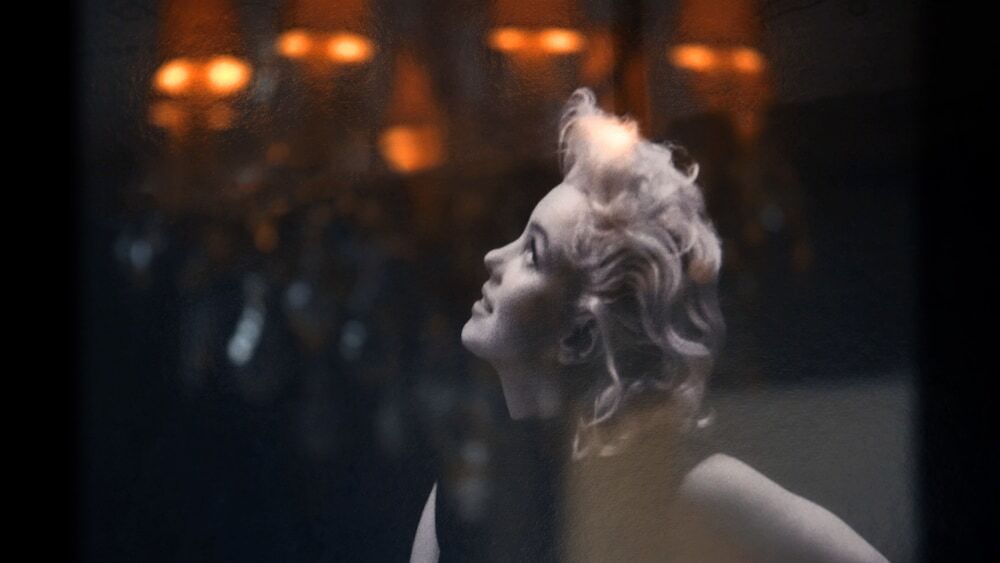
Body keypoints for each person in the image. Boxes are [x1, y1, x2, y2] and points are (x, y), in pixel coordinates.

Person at [411, 88, 887, 562]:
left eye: (533, 253)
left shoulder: (694, 485)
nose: (494, 257)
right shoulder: (463, 500)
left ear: (581, 333)